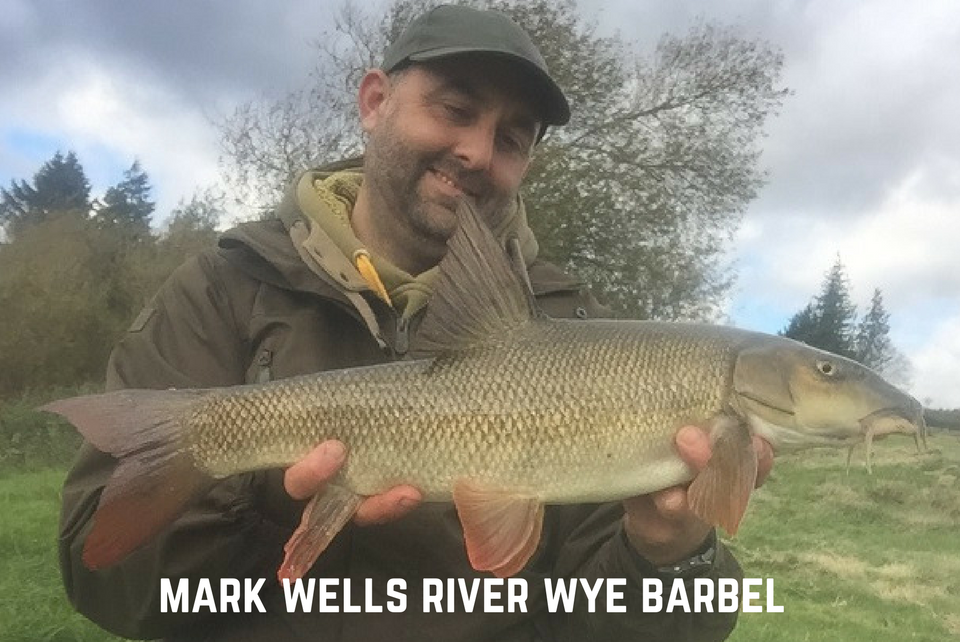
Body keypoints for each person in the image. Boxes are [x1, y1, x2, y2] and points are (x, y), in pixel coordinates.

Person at [59, 5, 773, 641]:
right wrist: (274, 497)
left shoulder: (575, 336)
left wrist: (671, 552)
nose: (476, 152)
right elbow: (106, 582)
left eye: (512, 140)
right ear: (374, 101)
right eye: (456, 109)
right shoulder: (225, 289)